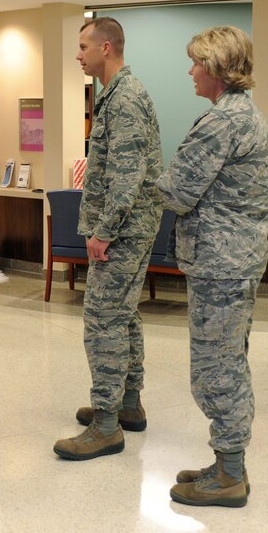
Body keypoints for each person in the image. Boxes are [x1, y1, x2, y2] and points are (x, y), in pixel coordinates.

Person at [157, 26, 268, 508]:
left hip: (221, 263)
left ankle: (229, 476)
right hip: (235, 259)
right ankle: (227, 462)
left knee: (215, 368)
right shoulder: (247, 115)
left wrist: (148, 178)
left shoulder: (221, 121)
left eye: (197, 63)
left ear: (218, 69)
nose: (190, 71)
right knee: (229, 361)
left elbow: (178, 192)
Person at [53, 17, 163, 460]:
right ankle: (128, 405)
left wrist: (104, 231)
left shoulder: (127, 99)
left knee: (102, 319)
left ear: (107, 47)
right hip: (127, 227)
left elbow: (127, 175)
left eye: (83, 46)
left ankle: (105, 425)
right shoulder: (112, 95)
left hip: (123, 230)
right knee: (123, 314)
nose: (78, 55)